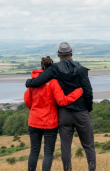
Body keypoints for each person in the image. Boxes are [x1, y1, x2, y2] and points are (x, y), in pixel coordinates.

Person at [25, 42, 96, 171]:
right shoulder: (81, 69)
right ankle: (91, 169)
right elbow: (88, 91)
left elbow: (39, 81)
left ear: (58, 55)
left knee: (65, 148)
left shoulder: (54, 69)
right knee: (89, 146)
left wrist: (28, 82)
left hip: (64, 113)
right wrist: (88, 109)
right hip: (81, 111)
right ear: (71, 53)